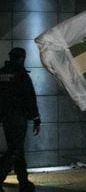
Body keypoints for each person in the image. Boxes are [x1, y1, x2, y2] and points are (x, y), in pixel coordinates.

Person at [0, 48, 41, 192]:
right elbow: (30, 98)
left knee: (17, 148)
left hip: (6, 118)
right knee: (14, 149)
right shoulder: (21, 75)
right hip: (18, 117)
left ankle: (23, 180)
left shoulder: (2, 73)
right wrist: (36, 118)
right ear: (21, 58)